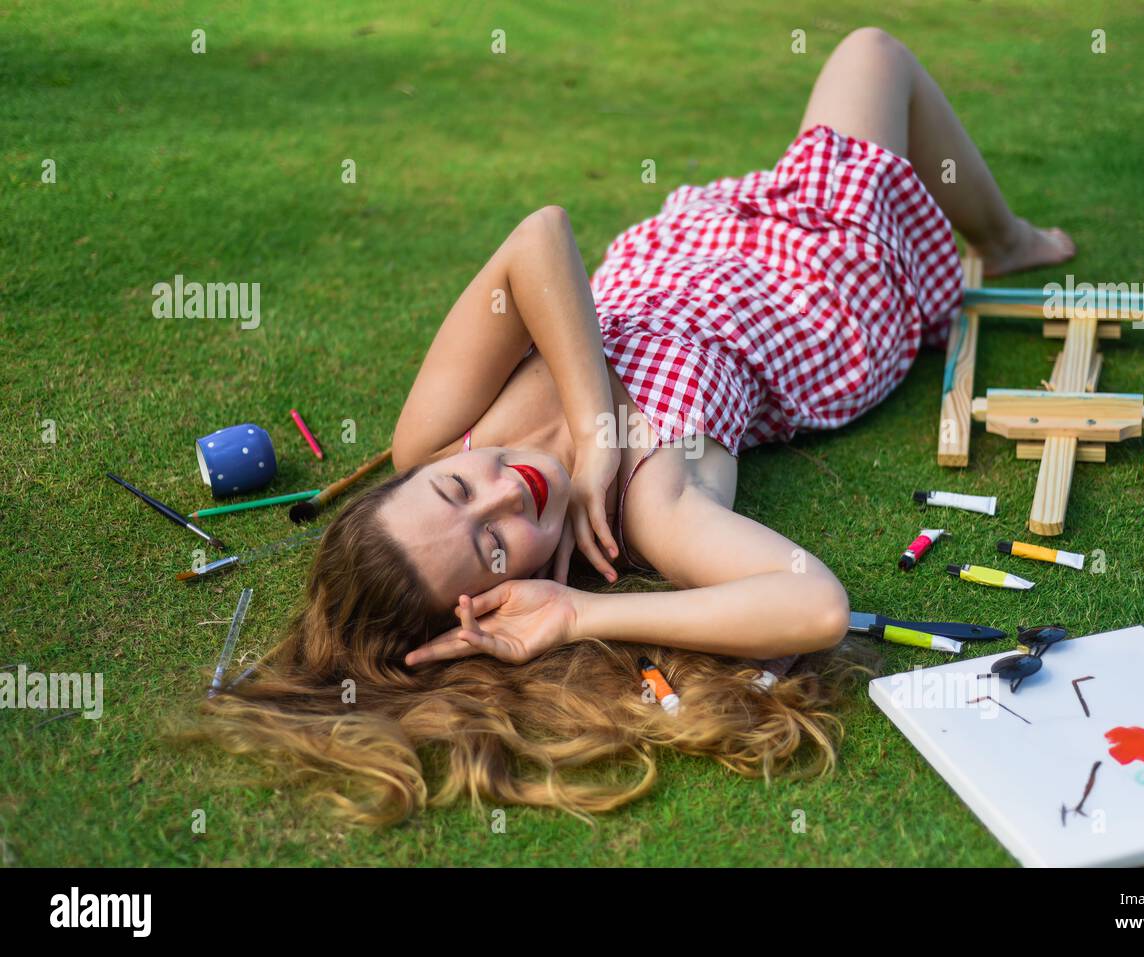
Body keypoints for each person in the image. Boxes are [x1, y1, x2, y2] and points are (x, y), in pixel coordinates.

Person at [193, 28, 1074, 823]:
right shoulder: (648, 504)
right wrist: (576, 612)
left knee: (873, 55)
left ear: (419, 474)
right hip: (817, 292)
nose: (506, 492)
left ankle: (1005, 237)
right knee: (873, 55)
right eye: (495, 549)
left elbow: (540, 237)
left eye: (459, 489)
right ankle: (1003, 240)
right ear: (501, 596)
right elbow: (815, 604)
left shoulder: (438, 435)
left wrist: (594, 420)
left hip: (694, 247)